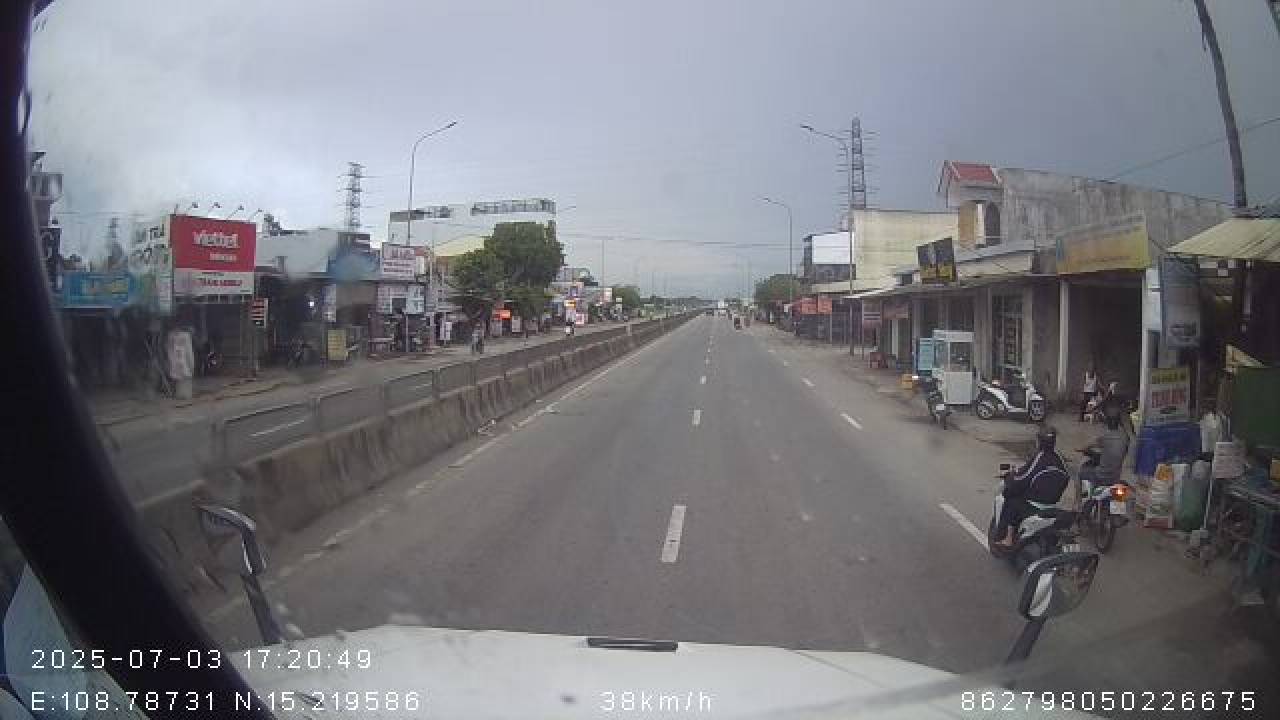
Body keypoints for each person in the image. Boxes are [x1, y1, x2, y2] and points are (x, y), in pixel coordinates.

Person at [992, 425, 1068, 549]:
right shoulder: (1059, 457)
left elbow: (1024, 478)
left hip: (1034, 503)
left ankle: (1008, 539)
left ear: (1039, 441)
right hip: (1052, 502)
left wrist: (1010, 478)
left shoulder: (1040, 457)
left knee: (1011, 500)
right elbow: (1066, 476)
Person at [1080, 405, 1130, 494]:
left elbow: (1085, 447)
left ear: (1106, 421)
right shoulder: (1125, 437)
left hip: (1101, 476)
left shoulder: (1104, 437)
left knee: (1080, 472)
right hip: (1115, 477)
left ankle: (1079, 500)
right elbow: (1123, 454)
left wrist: (1081, 449)